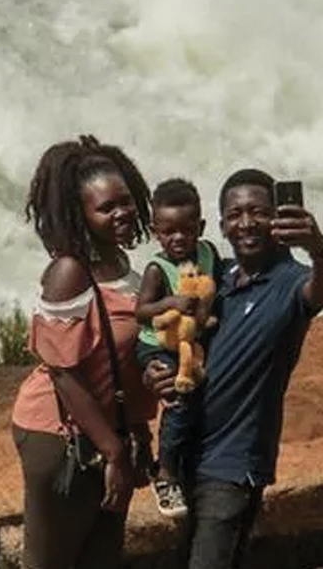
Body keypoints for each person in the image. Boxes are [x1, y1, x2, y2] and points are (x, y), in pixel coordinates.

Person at [143, 168, 323, 569]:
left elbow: (322, 292)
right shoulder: (215, 275)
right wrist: (152, 371)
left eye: (258, 212)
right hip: (186, 454)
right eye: (235, 215)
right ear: (219, 226)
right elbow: (164, 331)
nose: (246, 223)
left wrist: (319, 250)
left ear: (277, 218)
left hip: (234, 463)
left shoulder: (291, 281)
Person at [10, 134, 159, 569]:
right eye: (106, 208)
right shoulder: (69, 273)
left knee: (101, 557)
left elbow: (122, 364)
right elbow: (63, 374)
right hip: (60, 436)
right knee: (51, 561)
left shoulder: (123, 268)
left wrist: (136, 434)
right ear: (81, 215)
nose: (123, 213)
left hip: (108, 432)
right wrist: (114, 452)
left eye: (126, 201)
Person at [132, 177, 224, 518]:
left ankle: (196, 461)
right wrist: (169, 301)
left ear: (200, 226)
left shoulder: (208, 252)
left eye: (186, 230)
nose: (178, 238)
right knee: (179, 399)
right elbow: (140, 312)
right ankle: (165, 474)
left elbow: (218, 287)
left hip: (192, 339)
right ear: (156, 231)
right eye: (169, 232)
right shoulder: (157, 269)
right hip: (156, 345)